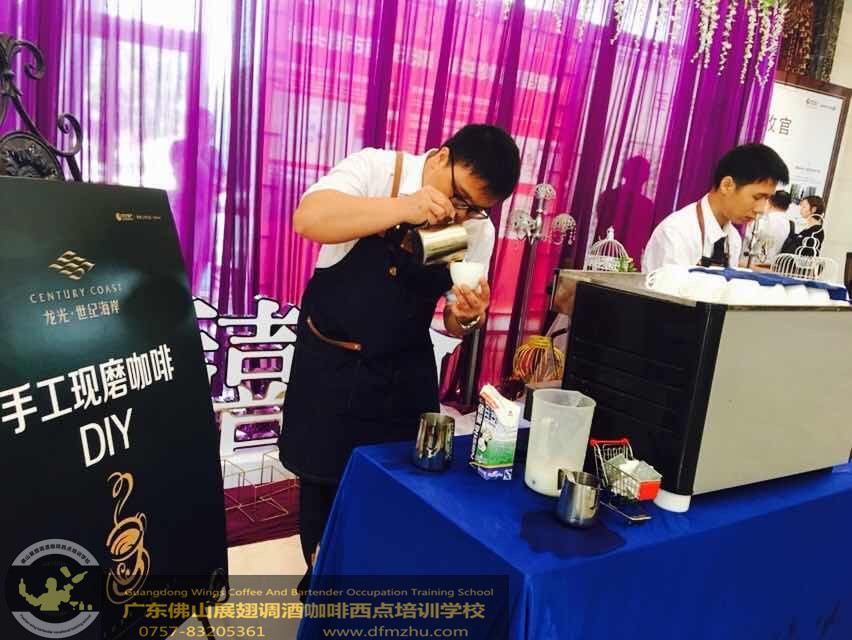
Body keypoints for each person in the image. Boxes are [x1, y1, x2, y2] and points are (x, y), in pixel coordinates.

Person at [278, 124, 521, 596]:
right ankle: (323, 590)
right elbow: (309, 218)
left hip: (403, 371)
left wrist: (467, 316)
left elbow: (453, 320)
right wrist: (405, 207)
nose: (461, 212)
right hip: (333, 366)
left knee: (399, 493)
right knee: (324, 491)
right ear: (441, 157)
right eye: (459, 196)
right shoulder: (379, 170)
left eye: (475, 208)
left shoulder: (474, 227)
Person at [641, 143, 789, 272]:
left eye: (767, 199)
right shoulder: (677, 232)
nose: (761, 209)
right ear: (727, 185)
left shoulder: (733, 239)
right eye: (757, 197)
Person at [743, 190, 793, 265]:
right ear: (787, 207)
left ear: (769, 202)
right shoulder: (788, 224)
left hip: (753, 262)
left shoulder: (765, 220)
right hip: (771, 263)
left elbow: (748, 237)